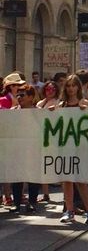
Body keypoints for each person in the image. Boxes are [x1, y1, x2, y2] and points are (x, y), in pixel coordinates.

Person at [51, 75, 88, 224]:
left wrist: (84, 110)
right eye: (68, 86)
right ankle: (69, 210)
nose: (71, 89)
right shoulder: (62, 104)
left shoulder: (83, 102)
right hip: (65, 146)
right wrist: (51, 111)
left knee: (80, 180)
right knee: (67, 180)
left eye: (73, 86)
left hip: (80, 147)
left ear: (78, 87)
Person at [9, 84, 41, 214]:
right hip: (17, 149)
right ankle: (16, 203)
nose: (19, 97)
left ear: (31, 97)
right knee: (17, 177)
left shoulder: (38, 112)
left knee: (33, 177)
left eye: (22, 95)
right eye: (18, 95)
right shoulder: (13, 111)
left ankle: (32, 202)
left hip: (33, 148)